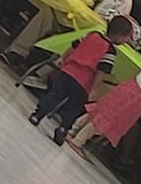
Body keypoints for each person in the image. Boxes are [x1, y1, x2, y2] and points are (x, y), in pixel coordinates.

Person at [29, 15, 135, 145]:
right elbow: (101, 72)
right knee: (74, 107)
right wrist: (94, 90)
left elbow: (74, 46)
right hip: (83, 83)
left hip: (68, 71)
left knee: (55, 94)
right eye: (128, 37)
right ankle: (63, 128)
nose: (127, 41)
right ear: (119, 36)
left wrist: (63, 57)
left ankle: (37, 115)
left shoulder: (92, 35)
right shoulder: (111, 52)